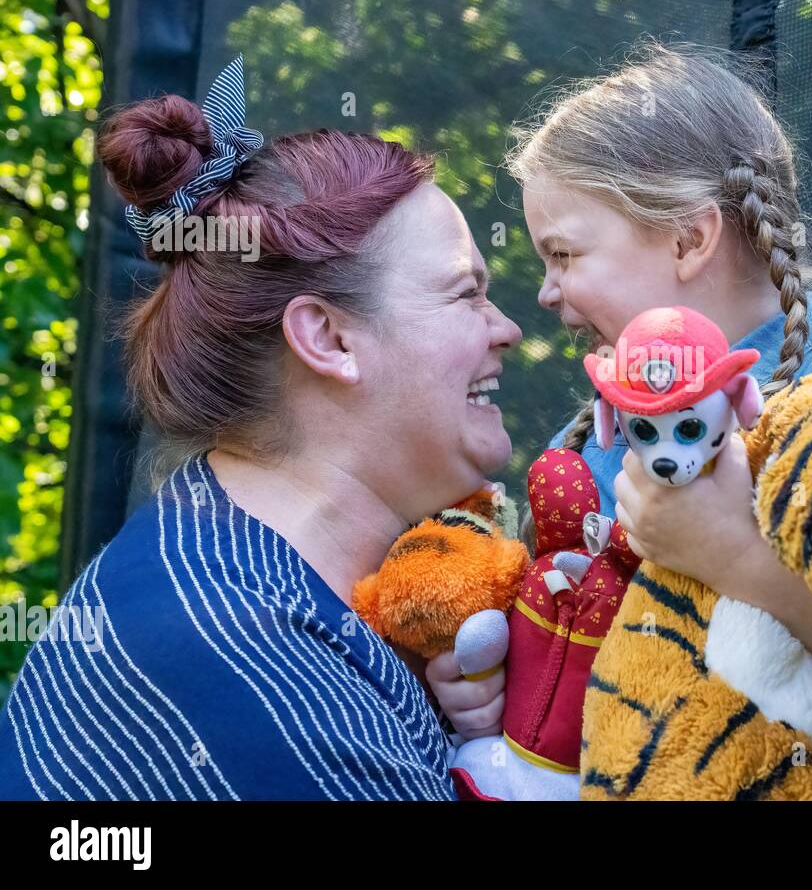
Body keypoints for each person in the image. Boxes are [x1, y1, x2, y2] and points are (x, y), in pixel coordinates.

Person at [0, 58, 520, 800]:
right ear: (329, 339)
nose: (507, 329)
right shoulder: (251, 666)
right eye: (465, 293)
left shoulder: (231, 570)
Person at [436, 42, 812, 799]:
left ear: (690, 239)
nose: (548, 294)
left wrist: (736, 558)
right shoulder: (594, 436)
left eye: (563, 254)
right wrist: (491, 683)